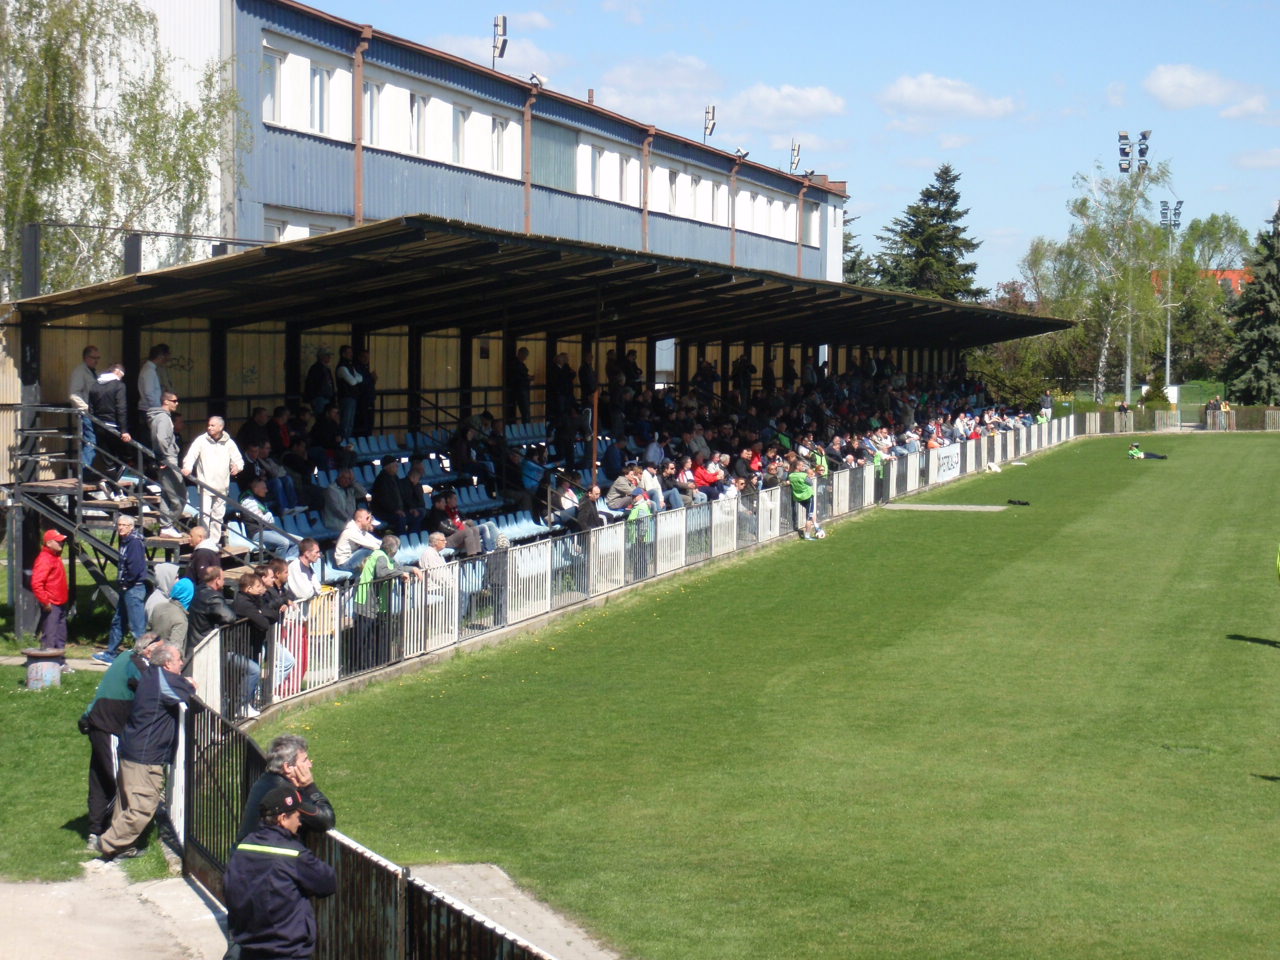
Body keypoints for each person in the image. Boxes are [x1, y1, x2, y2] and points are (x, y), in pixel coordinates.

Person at [95, 641, 196, 860]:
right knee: (143, 805)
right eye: (179, 660)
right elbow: (187, 694)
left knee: (126, 804)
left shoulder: (152, 674)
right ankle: (107, 843)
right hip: (145, 756)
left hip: (132, 749)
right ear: (168, 663)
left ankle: (121, 847)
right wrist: (190, 684)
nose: (182, 663)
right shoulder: (165, 680)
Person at [225, 783, 337, 960]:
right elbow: (327, 883)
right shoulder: (293, 854)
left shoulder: (243, 847)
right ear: (283, 818)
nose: (300, 822)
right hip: (286, 951)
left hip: (248, 948)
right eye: (297, 816)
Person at [80, 634, 165, 852]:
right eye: (160, 651)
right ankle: (119, 839)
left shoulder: (125, 656)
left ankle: (96, 830)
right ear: (148, 650)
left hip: (99, 722)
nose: (163, 657)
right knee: (122, 782)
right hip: (109, 727)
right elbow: (155, 687)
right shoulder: (137, 663)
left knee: (100, 778)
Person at [237, 734, 336, 842]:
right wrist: (310, 786)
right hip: (268, 857)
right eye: (305, 760)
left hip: (243, 855)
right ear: (287, 767)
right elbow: (326, 820)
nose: (310, 765)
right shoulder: (287, 795)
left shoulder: (264, 780)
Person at [94, 515, 148, 664]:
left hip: (134, 588)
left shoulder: (134, 543)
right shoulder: (125, 541)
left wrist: (126, 582)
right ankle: (111, 653)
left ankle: (143, 658)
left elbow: (135, 568)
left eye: (124, 525)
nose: (121, 527)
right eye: (119, 525)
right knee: (118, 621)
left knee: (137, 627)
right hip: (126, 589)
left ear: (131, 527)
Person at [182, 416, 245, 544]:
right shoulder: (201, 440)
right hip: (206, 485)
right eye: (209, 425)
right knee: (204, 515)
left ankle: (214, 542)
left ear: (221, 427)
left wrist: (237, 467)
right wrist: (187, 467)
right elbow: (191, 456)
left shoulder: (229, 443)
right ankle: (203, 541)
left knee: (218, 516)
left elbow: (239, 460)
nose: (209, 427)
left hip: (222, 487)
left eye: (212, 425)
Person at [148, 391, 186, 537]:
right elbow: (162, 439)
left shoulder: (161, 417)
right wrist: (163, 457)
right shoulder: (163, 418)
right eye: (174, 401)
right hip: (168, 459)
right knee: (180, 495)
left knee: (166, 494)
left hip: (166, 458)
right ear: (166, 402)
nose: (177, 403)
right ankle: (167, 524)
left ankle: (166, 526)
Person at [32, 529, 70, 669]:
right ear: (49, 543)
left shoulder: (55, 556)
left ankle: (60, 661)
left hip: (61, 603)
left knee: (61, 635)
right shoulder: (45, 559)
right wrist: (45, 601)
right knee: (50, 635)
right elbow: (37, 583)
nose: (62, 543)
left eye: (62, 540)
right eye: (58, 541)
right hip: (52, 603)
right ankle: (48, 665)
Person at [87, 363, 132, 481]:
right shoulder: (119, 386)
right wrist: (124, 430)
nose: (120, 379)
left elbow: (90, 409)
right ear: (118, 372)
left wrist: (95, 425)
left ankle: (114, 489)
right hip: (114, 427)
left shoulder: (94, 386)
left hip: (99, 426)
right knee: (125, 457)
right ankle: (113, 487)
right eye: (121, 376)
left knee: (108, 460)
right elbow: (121, 408)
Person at [240, 477, 298, 558]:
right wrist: (268, 515)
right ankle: (277, 566)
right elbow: (263, 520)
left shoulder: (260, 499)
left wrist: (267, 515)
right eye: (264, 488)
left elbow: (270, 520)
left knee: (299, 541)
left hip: (268, 530)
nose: (266, 491)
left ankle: (287, 562)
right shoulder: (248, 501)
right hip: (257, 532)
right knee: (284, 542)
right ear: (256, 489)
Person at [187, 566, 236, 655]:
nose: (224, 582)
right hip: (205, 645)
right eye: (223, 579)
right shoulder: (212, 597)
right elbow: (229, 617)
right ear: (217, 580)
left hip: (194, 641)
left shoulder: (199, 590)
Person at [68, 345, 101, 469]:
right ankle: (85, 470)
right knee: (91, 440)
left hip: (93, 412)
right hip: (86, 413)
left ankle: (86, 468)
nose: (96, 361)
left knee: (89, 441)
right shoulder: (80, 372)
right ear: (86, 357)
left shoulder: (94, 372)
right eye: (93, 358)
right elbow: (74, 394)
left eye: (98, 358)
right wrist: (86, 408)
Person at [135, 343, 170, 449]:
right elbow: (149, 392)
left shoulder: (149, 369)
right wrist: (157, 409)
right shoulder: (149, 371)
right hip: (149, 410)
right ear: (160, 356)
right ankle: (149, 463)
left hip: (148, 408)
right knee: (149, 439)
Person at [147, 576, 193, 649]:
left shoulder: (158, 607)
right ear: (189, 596)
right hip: (166, 658)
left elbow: (147, 634)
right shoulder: (181, 620)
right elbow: (174, 649)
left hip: (152, 653)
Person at [333, 506, 381, 572]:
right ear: (359, 519)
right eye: (367, 518)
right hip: (344, 564)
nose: (369, 520)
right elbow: (371, 545)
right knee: (368, 550)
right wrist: (384, 549)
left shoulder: (360, 531)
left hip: (351, 558)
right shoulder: (351, 531)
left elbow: (375, 540)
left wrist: (385, 544)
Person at [321, 467, 368, 532]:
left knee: (366, 526)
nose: (347, 481)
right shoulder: (331, 490)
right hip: (336, 522)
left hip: (349, 522)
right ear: (339, 478)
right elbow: (336, 510)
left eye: (349, 479)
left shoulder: (350, 489)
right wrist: (351, 521)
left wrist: (353, 482)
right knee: (359, 529)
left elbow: (363, 493)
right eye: (344, 478)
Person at [305, 348, 336, 420]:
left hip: (326, 397)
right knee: (321, 418)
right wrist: (313, 397)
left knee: (327, 418)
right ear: (321, 356)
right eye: (327, 356)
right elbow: (311, 384)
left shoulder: (326, 369)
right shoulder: (316, 368)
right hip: (320, 398)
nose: (329, 358)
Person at [507, 346, 533, 424]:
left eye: (526, 355)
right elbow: (516, 376)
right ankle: (526, 426)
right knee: (525, 410)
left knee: (526, 410)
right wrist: (527, 378)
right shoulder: (515, 364)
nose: (525, 357)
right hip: (520, 389)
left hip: (522, 388)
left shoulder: (520, 364)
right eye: (524, 355)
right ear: (519, 354)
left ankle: (526, 425)